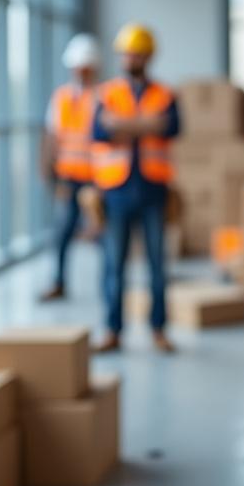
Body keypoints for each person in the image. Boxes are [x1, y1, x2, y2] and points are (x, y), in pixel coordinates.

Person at [91, 24, 180, 353]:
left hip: (153, 190)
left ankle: (158, 329)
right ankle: (113, 330)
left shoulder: (165, 94)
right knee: (114, 266)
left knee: (157, 267)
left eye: (138, 54)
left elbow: (171, 127)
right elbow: (99, 132)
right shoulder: (107, 93)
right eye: (128, 54)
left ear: (148, 57)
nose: (132, 59)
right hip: (116, 192)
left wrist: (122, 125)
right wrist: (146, 125)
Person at [39, 34, 102, 302]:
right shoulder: (61, 97)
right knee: (62, 231)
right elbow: (52, 136)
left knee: (101, 232)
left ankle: (107, 285)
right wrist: (49, 173)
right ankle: (58, 281)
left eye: (86, 67)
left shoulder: (102, 97)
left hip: (96, 178)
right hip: (68, 177)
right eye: (78, 67)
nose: (81, 71)